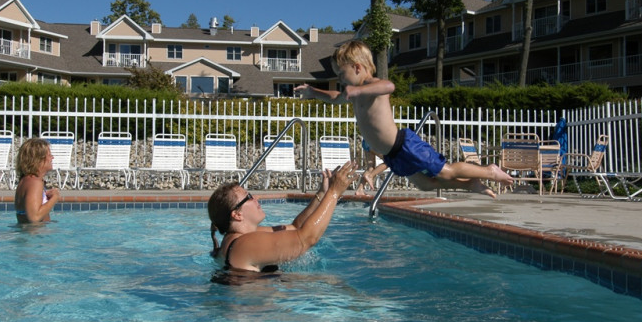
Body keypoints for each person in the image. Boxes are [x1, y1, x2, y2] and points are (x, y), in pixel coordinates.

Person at [295, 40, 514, 198]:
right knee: (426, 185)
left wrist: (358, 92)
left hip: (405, 145)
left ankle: (489, 171)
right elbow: (335, 98)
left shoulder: (372, 86)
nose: (340, 80)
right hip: (392, 155)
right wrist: (314, 91)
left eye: (341, 74)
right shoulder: (352, 92)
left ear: (358, 67)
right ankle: (470, 185)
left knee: (446, 171)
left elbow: (390, 86)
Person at [208, 162, 356, 273]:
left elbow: (295, 228)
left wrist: (322, 195)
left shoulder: (241, 237)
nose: (256, 198)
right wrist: (334, 193)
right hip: (256, 311)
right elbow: (306, 239)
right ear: (237, 214)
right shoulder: (244, 244)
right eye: (249, 197)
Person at [14, 138, 61, 223]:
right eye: (49, 155)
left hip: (29, 233)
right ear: (38, 159)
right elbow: (35, 217)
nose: (52, 158)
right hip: (35, 235)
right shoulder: (34, 182)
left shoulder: (27, 180)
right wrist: (54, 198)